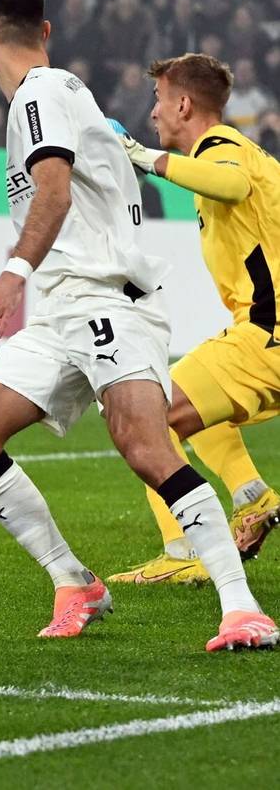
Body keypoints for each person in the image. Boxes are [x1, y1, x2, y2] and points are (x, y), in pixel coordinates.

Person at [0, 0, 275, 652]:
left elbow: (55, 193)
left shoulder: (38, 95)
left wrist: (12, 275)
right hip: (65, 309)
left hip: (104, 305)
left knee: (148, 446)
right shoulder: (67, 94)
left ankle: (240, 608)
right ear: (44, 30)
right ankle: (75, 581)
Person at [108, 53, 280, 585]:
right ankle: (252, 498)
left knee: (145, 415)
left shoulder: (223, 149)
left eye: (159, 100)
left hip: (268, 335)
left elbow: (227, 184)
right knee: (189, 403)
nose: (154, 113)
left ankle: (183, 551)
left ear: (183, 103)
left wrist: (142, 156)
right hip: (262, 336)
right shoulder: (248, 155)